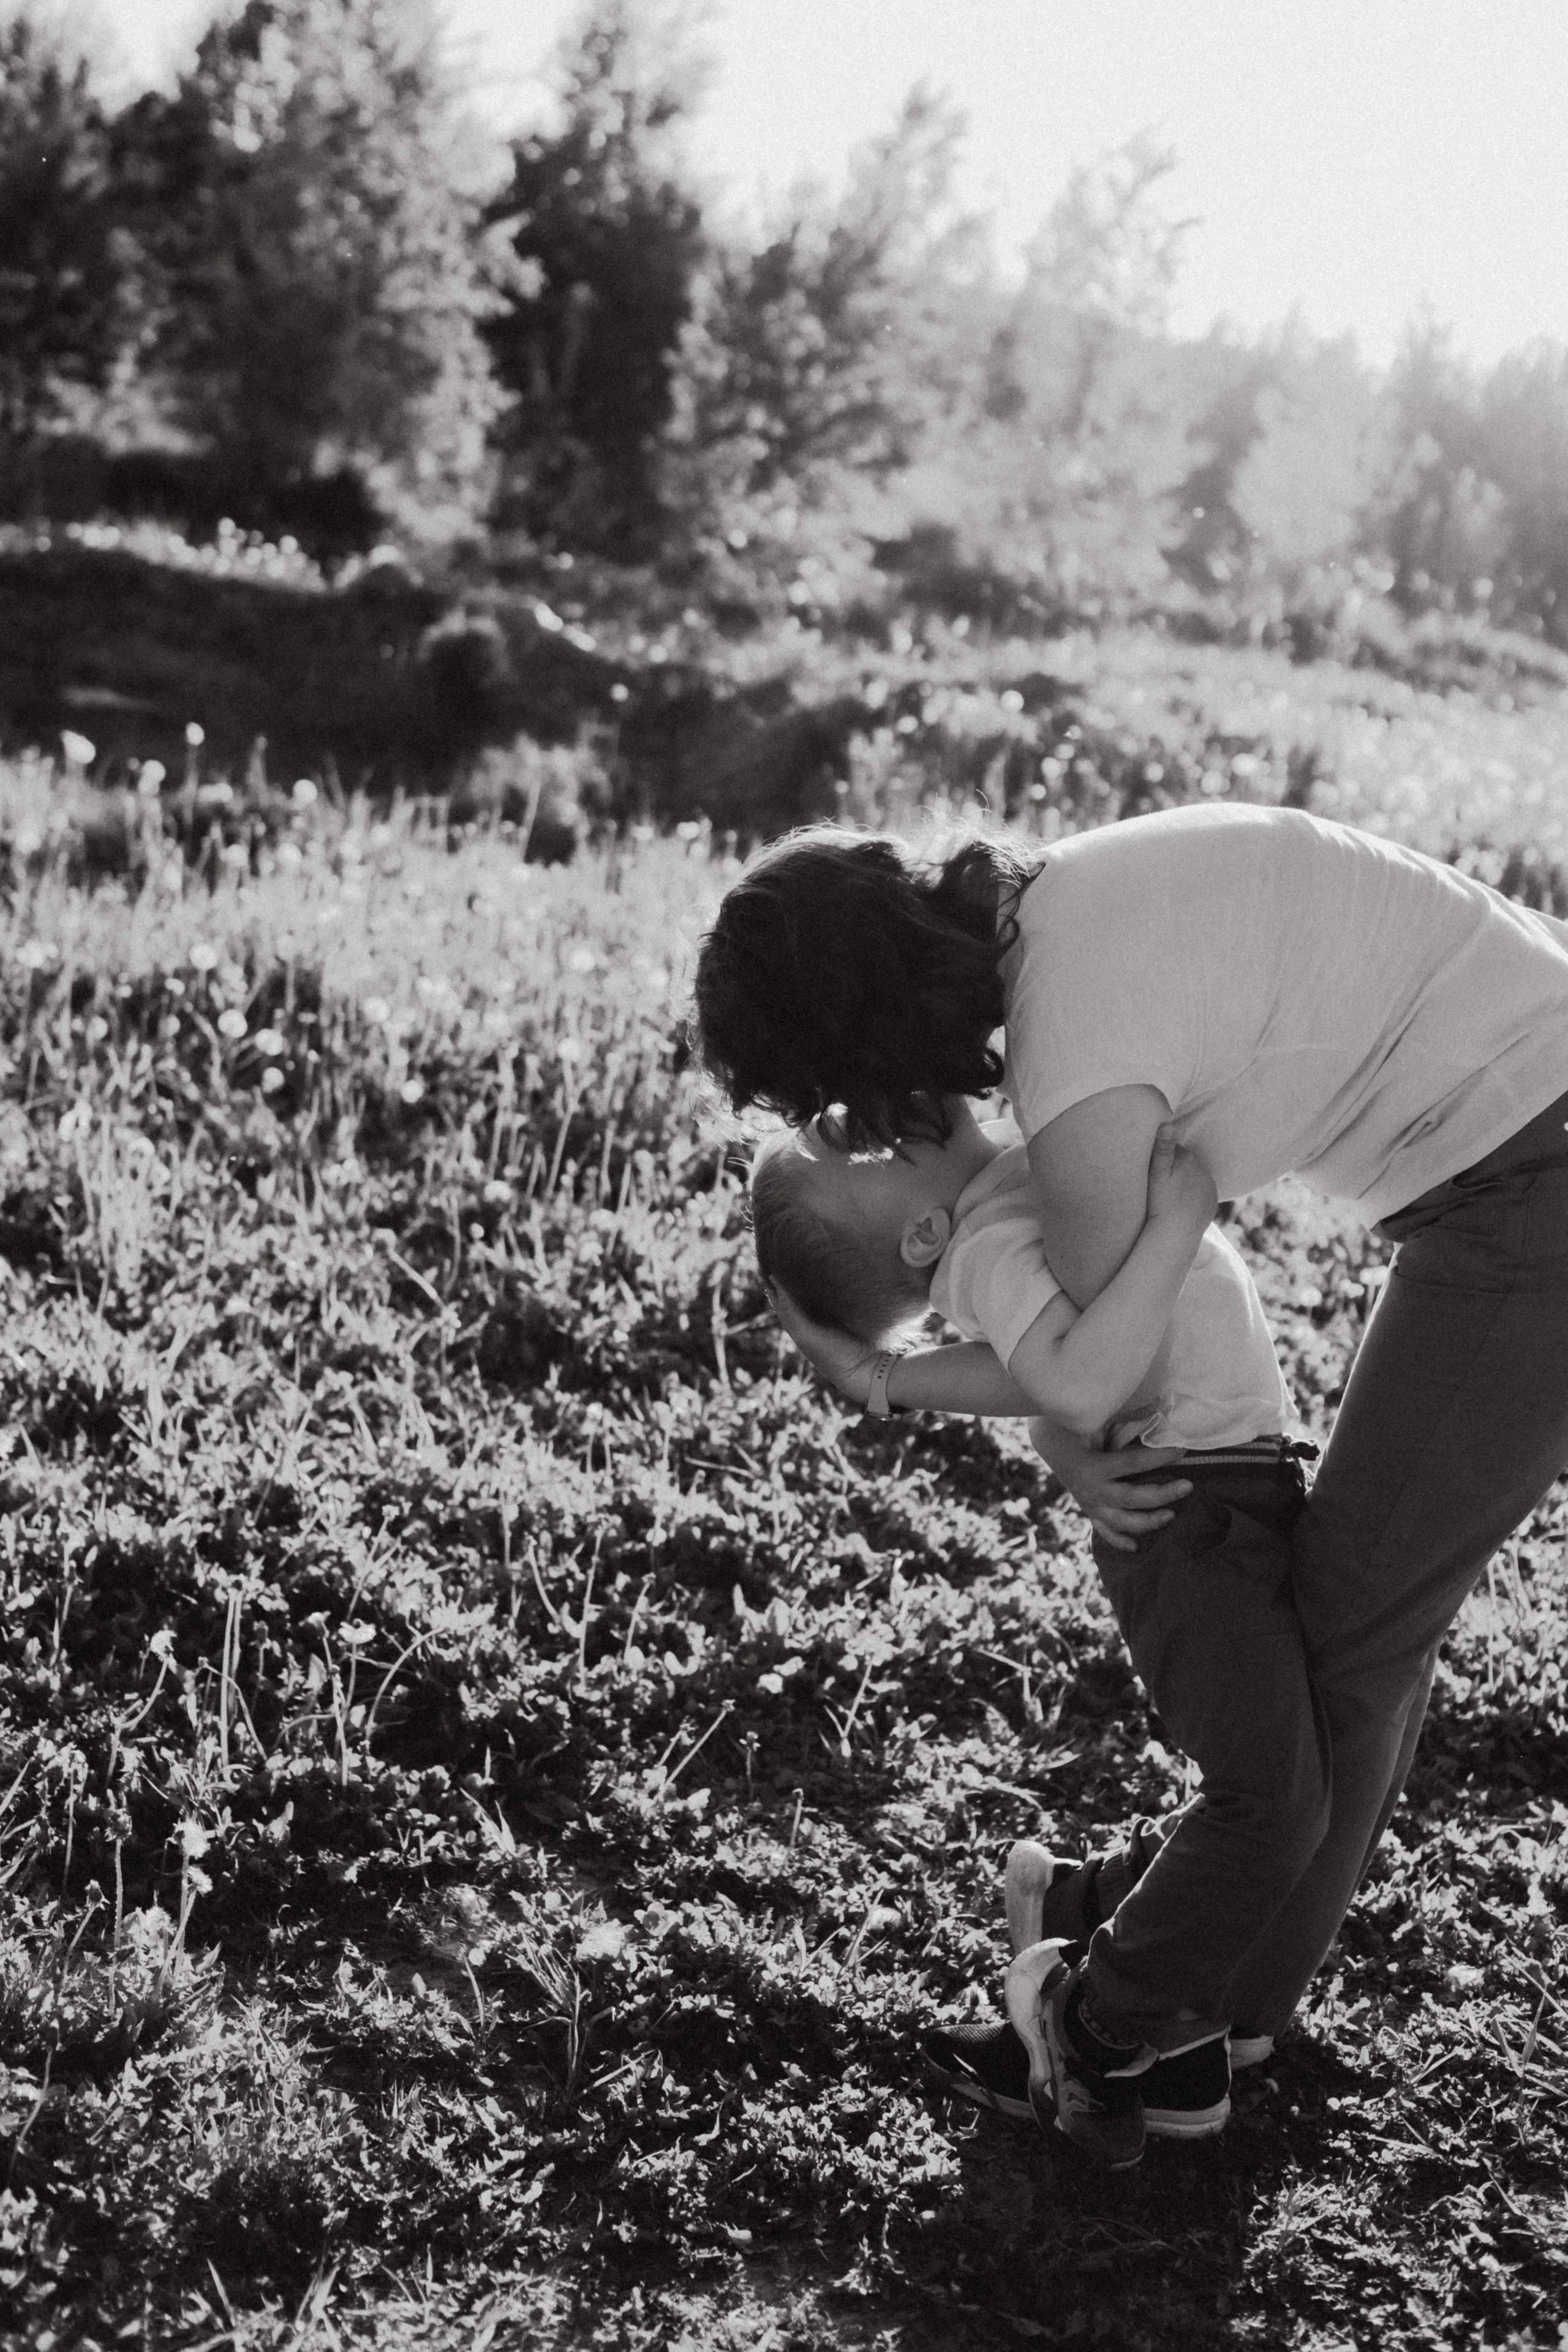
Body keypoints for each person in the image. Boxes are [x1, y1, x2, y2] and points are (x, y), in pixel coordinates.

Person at [696, 800, 1568, 2165]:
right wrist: (1002, 1402)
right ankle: (1184, 1994)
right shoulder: (1074, 904)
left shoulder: (1071, 1053)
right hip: (1521, 1142)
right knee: (1345, 1650)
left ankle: (1160, 2008)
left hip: (1535, 1178)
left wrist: (993, 1402)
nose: (858, 1120)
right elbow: (1085, 1354)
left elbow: (1089, 1369)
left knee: (1346, 1641)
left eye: (834, 1096)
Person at [750, 1102, 1320, 2165]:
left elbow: (1055, 1381)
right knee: (1271, 1792)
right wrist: (882, 1381)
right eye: (840, 1135)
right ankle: (1103, 2019)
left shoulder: (1021, 1181)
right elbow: (1064, 1365)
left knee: (1291, 1776)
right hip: (1190, 1515)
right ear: (923, 1236)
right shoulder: (987, 1245)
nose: (852, 1106)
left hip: (1217, 1493)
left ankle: (1086, 1911)